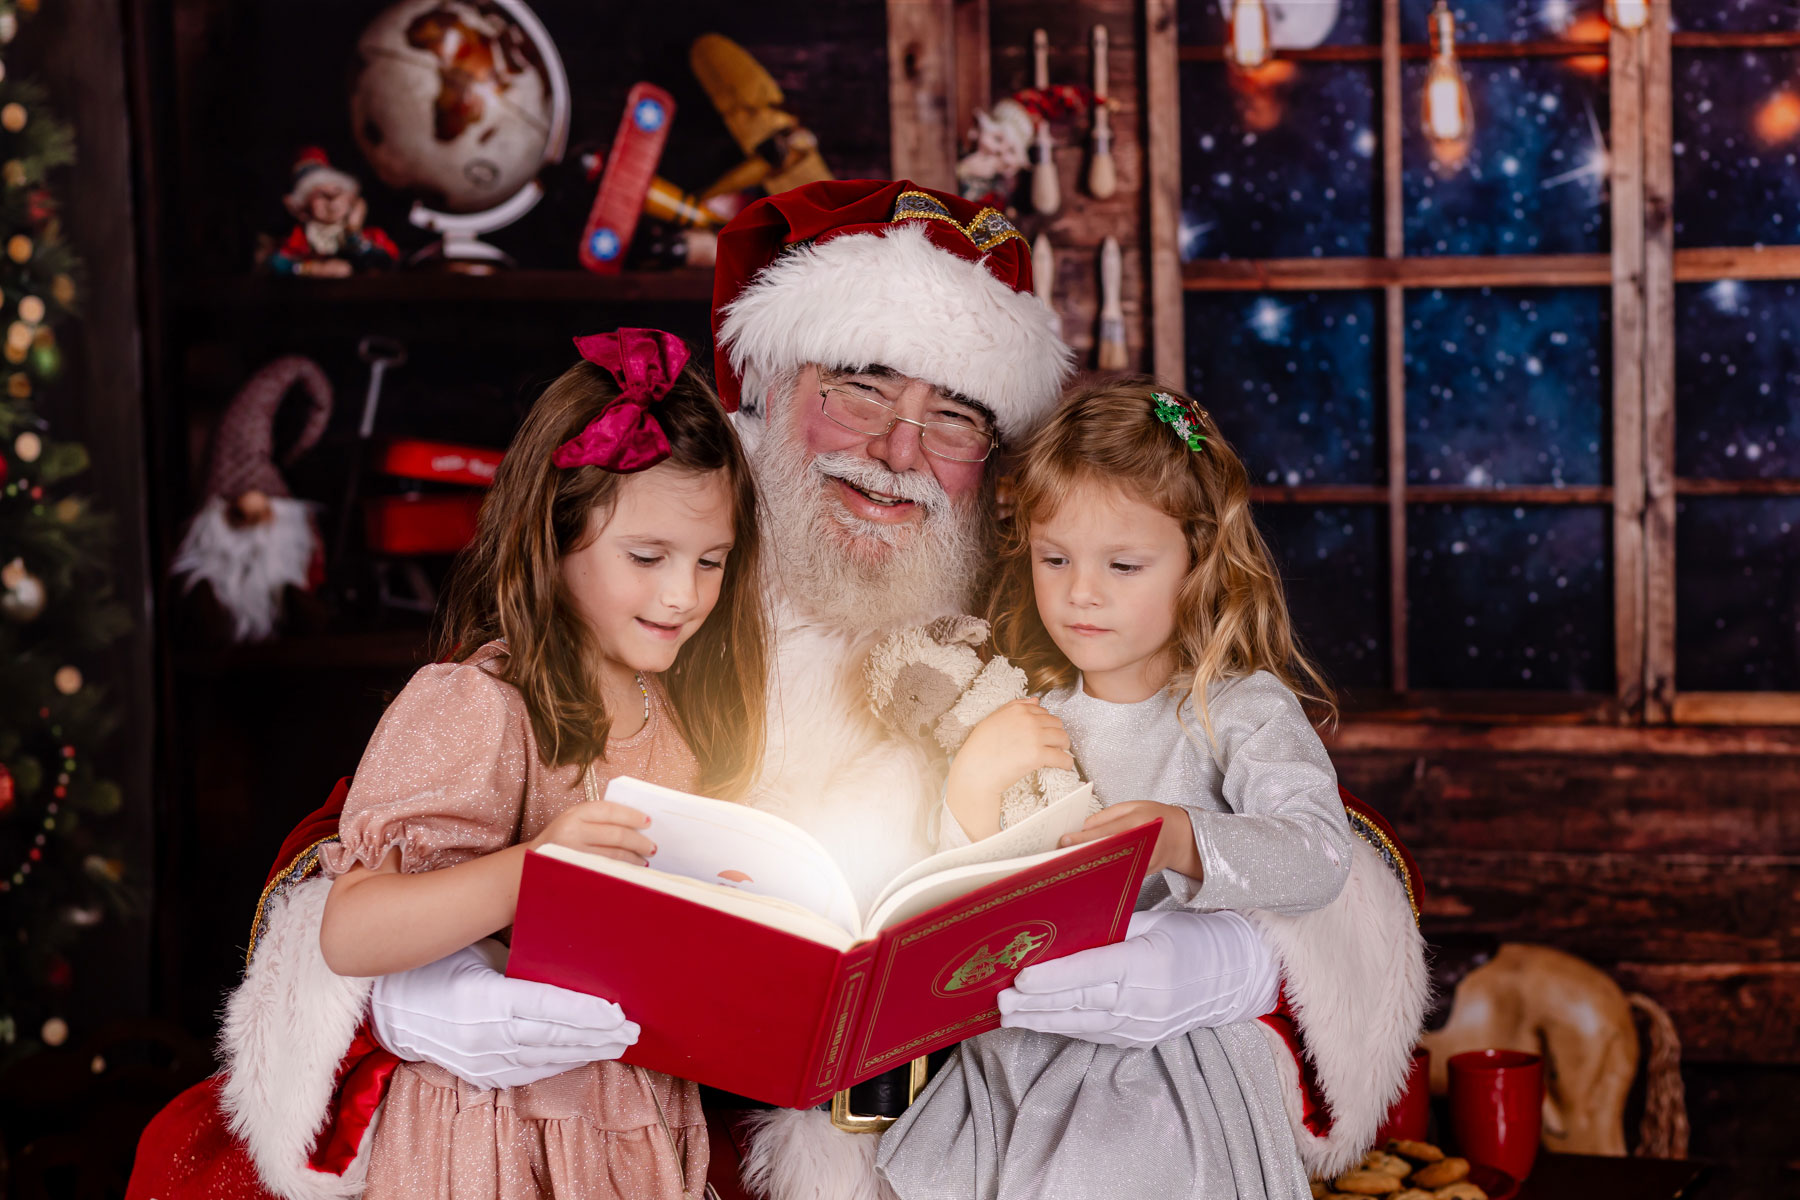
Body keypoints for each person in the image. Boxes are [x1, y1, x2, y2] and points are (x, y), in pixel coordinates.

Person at [130, 181, 1425, 1200]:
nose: (899, 453)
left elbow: (1294, 841)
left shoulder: (1049, 609)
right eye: (860, 388)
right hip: (630, 1128)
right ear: (766, 391)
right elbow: (371, 851)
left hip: (965, 1148)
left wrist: (1232, 966)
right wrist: (421, 1001)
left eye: (955, 417)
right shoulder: (653, 598)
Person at [879, 379, 1363, 1199]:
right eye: (1054, 557)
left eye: (1124, 564)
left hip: (1163, 1074)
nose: (1081, 592)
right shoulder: (1023, 701)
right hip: (1014, 1057)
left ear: (1198, 559)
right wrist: (973, 782)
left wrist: (1187, 838)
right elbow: (945, 898)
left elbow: (1320, 852)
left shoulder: (1235, 709)